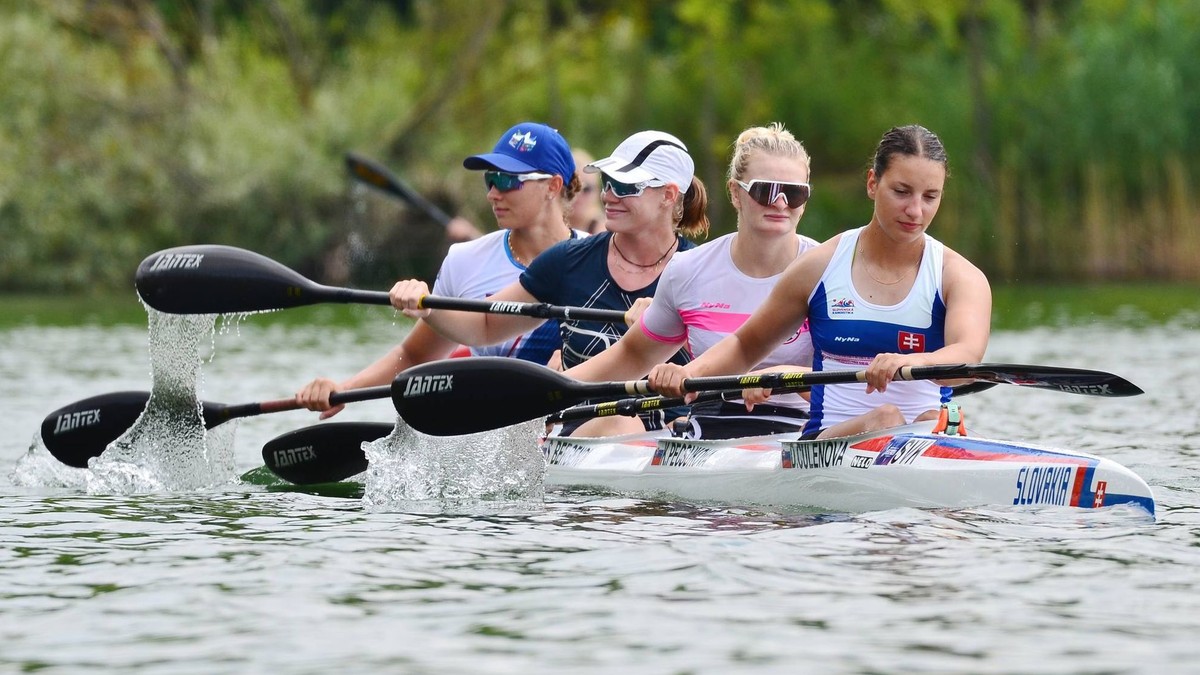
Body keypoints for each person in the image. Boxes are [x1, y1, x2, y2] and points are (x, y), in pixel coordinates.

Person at [649, 124, 992, 440]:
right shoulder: (819, 266)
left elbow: (966, 360)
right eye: (902, 192)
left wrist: (913, 362)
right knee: (885, 418)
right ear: (873, 184)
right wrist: (688, 375)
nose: (915, 211)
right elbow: (745, 345)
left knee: (932, 418)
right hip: (826, 446)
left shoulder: (959, 276)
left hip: (925, 437)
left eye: (930, 197)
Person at [391, 130, 710, 433]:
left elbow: (734, 356)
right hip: (579, 429)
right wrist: (426, 306)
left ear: (668, 195)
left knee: (664, 427)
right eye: (607, 182)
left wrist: (670, 327)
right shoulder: (568, 260)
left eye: (624, 186)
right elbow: (485, 325)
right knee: (621, 424)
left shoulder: (699, 271)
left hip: (678, 434)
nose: (607, 196)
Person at [296, 122, 585, 419]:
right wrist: (345, 390)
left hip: (581, 421)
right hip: (495, 425)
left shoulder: (599, 259)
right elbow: (415, 355)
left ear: (553, 186)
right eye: (491, 179)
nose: (493, 193)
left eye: (508, 180)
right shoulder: (465, 260)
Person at [563, 122, 819, 438]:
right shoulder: (689, 269)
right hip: (708, 428)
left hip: (801, 432)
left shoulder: (827, 269)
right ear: (735, 193)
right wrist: (545, 396)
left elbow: (852, 383)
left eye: (794, 193)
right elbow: (633, 356)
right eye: (765, 190)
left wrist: (792, 375)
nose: (780, 203)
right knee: (616, 426)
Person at [567, 148, 606, 235]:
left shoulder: (607, 234)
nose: (577, 194)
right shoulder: (544, 228)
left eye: (586, 189)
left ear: (597, 192)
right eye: (571, 187)